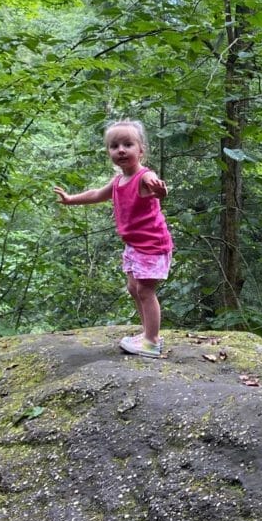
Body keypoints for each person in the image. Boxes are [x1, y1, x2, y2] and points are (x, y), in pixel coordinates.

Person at [54, 120, 173, 358]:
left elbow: (155, 186)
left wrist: (160, 191)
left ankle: (151, 342)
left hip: (151, 245)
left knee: (146, 291)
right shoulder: (119, 180)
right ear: (109, 152)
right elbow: (97, 194)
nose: (120, 150)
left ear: (141, 150)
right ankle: (148, 332)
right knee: (133, 288)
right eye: (114, 145)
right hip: (134, 244)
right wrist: (70, 199)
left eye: (128, 144)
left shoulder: (143, 176)